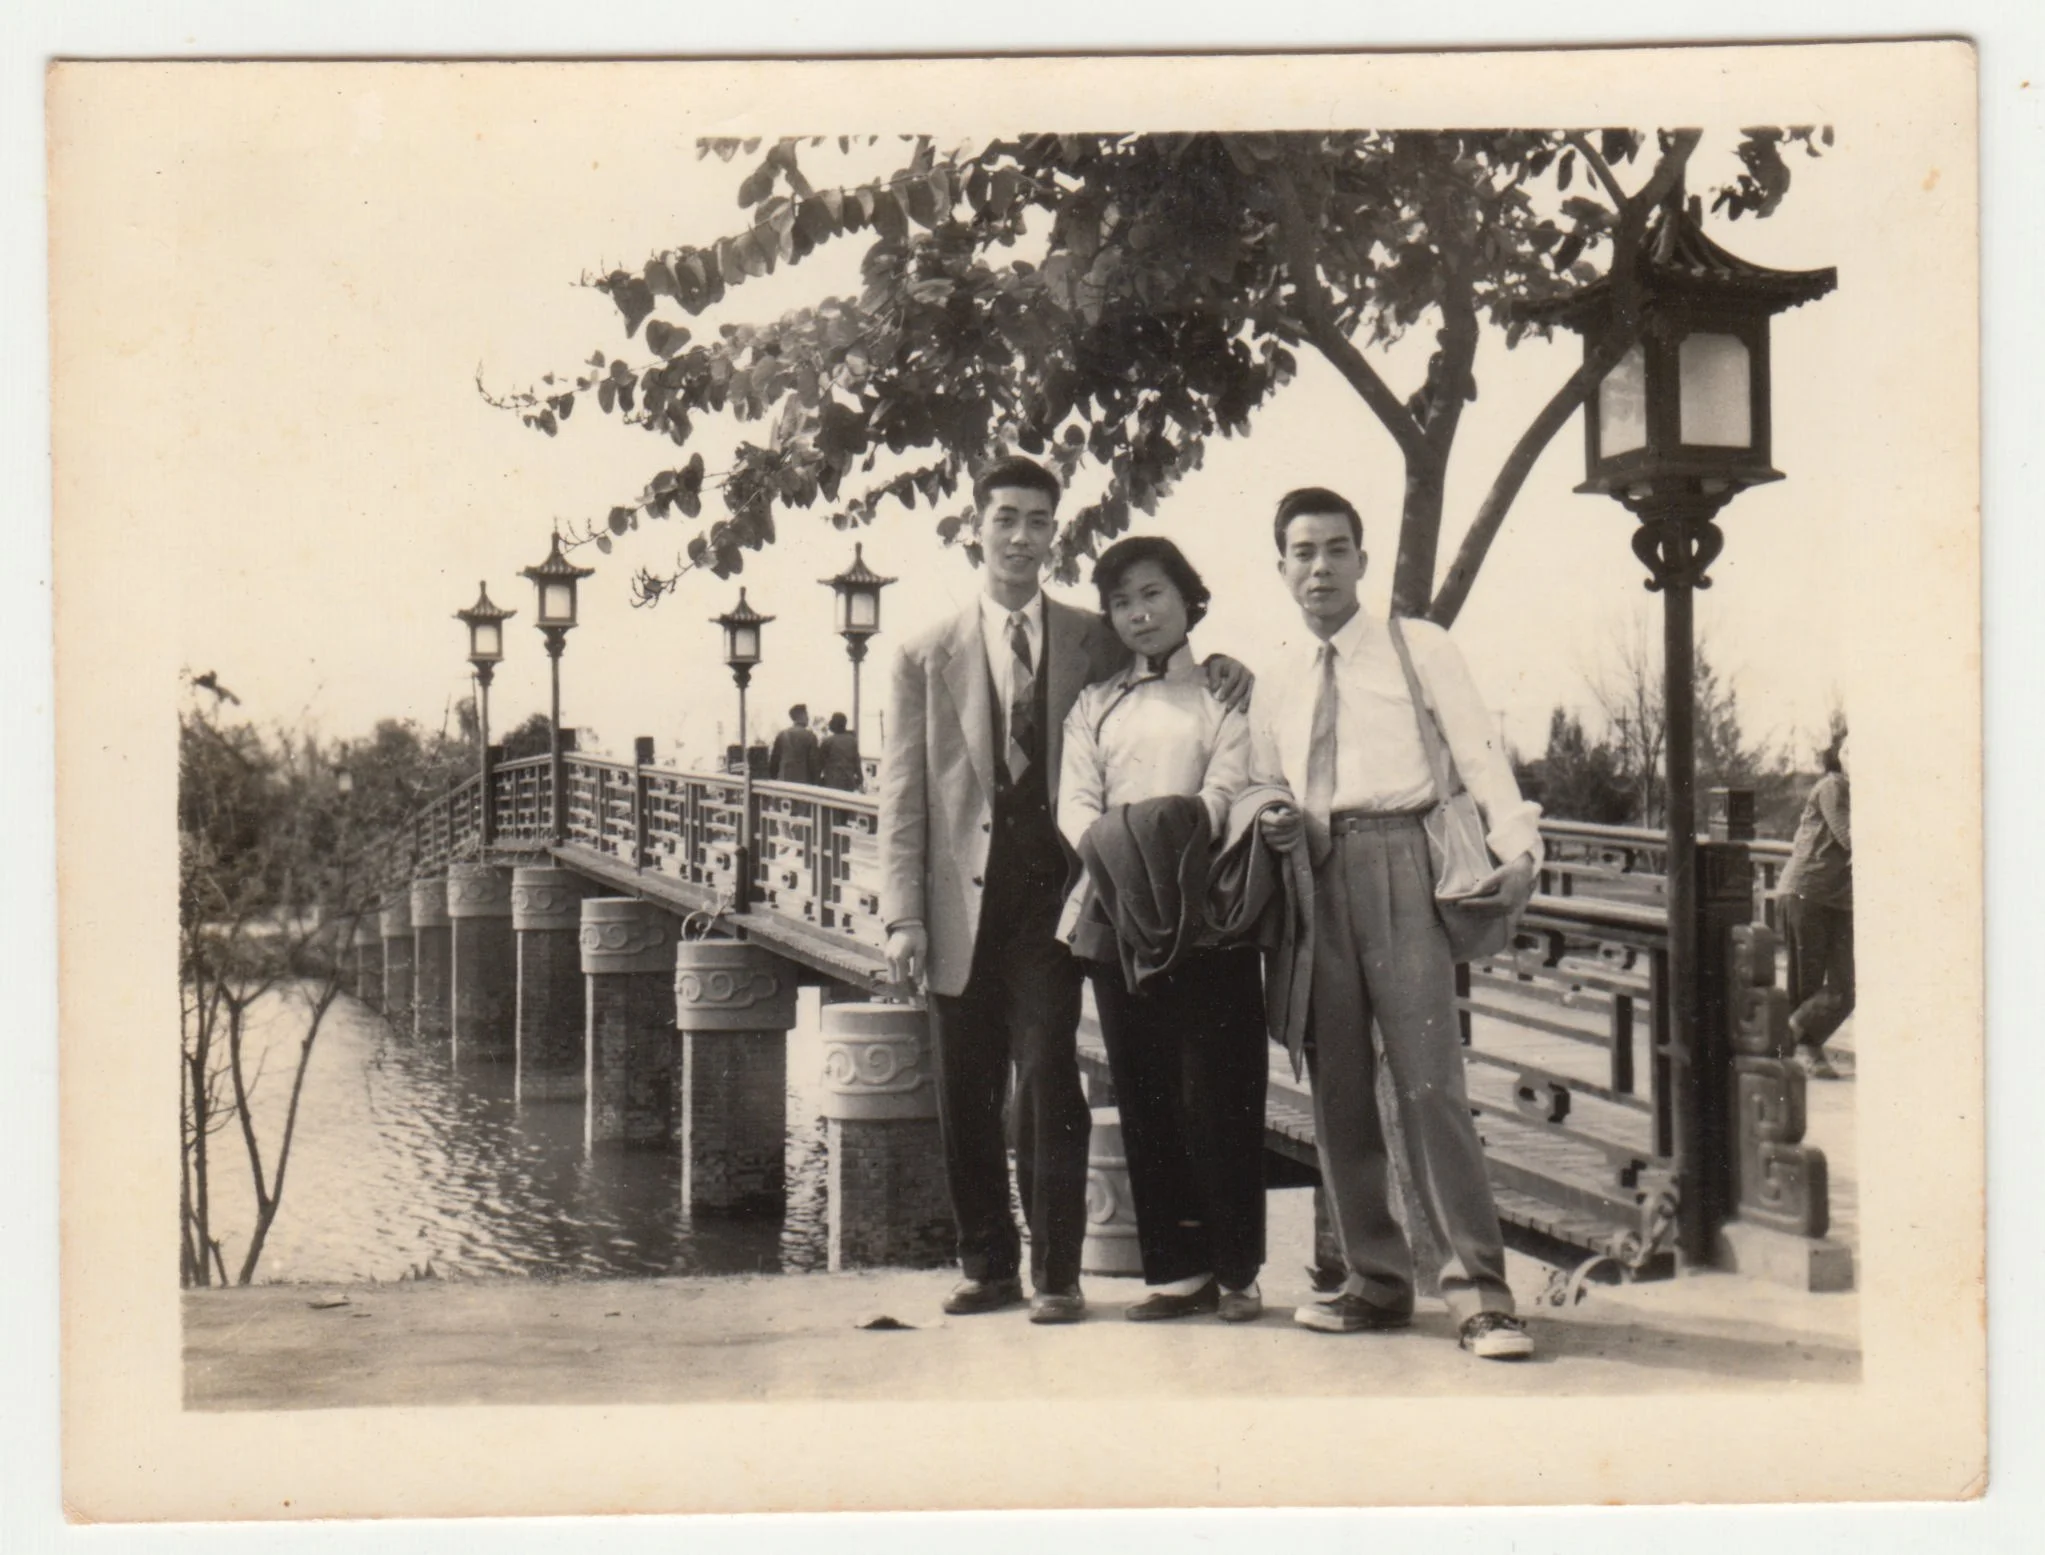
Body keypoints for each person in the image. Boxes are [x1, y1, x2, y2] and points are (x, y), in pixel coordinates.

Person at [878, 455, 1249, 1325]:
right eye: (1004, 516)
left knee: (1049, 1077)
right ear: (976, 525)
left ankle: (1057, 1275)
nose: (1019, 535)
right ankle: (986, 1265)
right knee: (965, 1087)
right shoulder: (921, 654)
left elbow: (1170, 656)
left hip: (1055, 897)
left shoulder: (1094, 635)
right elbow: (901, 798)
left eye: (1037, 520)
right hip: (956, 898)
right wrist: (901, 917)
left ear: (1054, 532)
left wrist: (1227, 663)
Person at [1249, 487, 1542, 1362]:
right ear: (1281, 569)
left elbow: (1480, 752)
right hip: (1314, 869)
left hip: (1405, 862)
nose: (1319, 568)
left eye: (1336, 549)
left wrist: (1517, 843)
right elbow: (1262, 777)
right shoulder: (1276, 674)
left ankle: (1479, 1295)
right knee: (1335, 1087)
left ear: (1362, 562)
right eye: (1301, 552)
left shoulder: (1419, 647)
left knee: (1427, 1083)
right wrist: (1269, 812)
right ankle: (1375, 1281)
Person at [1056, 537, 1268, 1323]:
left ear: (1187, 599)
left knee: (1220, 1086)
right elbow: (1075, 801)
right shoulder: (1094, 703)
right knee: (1143, 1085)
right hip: (1113, 908)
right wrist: (1119, 848)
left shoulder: (1227, 696)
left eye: (1154, 594)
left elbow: (1226, 786)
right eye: (1121, 601)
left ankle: (1237, 1268)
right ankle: (1174, 1268)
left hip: (1205, 907)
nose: (1139, 613)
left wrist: (1173, 836)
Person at [1778, 732, 1853, 1080]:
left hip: (1840, 899)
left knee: (1847, 984)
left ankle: (1787, 1033)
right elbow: (1850, 837)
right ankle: (1803, 1050)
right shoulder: (1833, 787)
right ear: (1840, 755)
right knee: (1806, 981)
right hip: (1806, 891)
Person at [768, 704, 821, 785]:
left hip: (784, 781)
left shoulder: (782, 735)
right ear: (801, 716)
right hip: (804, 783)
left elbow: (774, 761)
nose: (808, 718)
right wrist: (816, 782)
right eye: (806, 715)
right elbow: (814, 764)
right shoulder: (810, 736)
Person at [816, 712, 864, 792]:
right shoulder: (852, 741)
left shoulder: (828, 742)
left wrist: (816, 780)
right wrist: (860, 779)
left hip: (831, 783)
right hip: (848, 783)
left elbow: (819, 764)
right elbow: (857, 763)